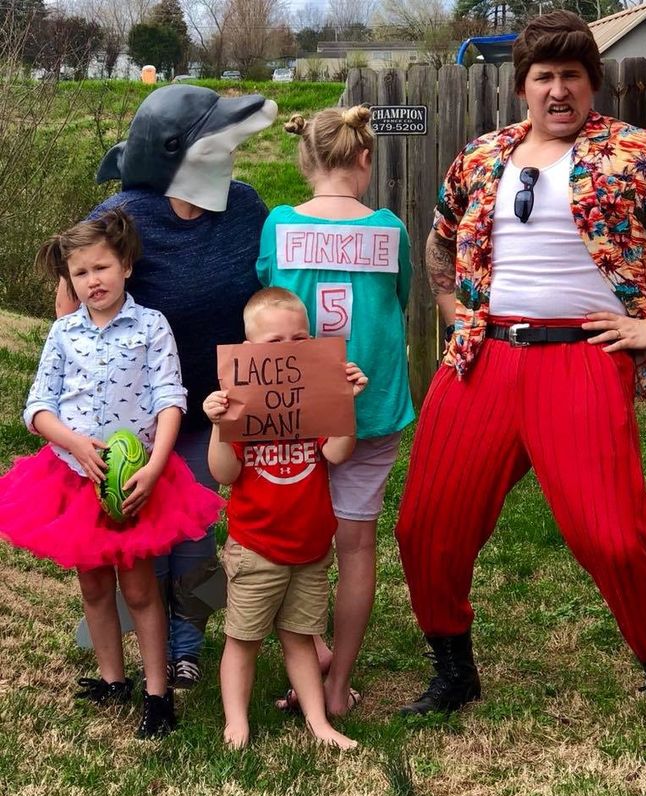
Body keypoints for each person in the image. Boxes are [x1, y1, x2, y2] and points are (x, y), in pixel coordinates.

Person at [394, 10, 646, 758]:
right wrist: (454, 311)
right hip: (484, 359)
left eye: (571, 76)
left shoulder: (635, 151)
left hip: (581, 358)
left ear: (592, 83)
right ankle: (454, 671)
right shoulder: (483, 155)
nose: (557, 90)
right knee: (426, 528)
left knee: (612, 539)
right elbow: (440, 233)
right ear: (523, 87)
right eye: (543, 77)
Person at [55, 84, 278, 688]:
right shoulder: (123, 214)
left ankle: (187, 637)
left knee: (197, 536)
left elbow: (273, 283)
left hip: (218, 405)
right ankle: (142, 633)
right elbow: (75, 285)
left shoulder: (247, 205)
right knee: (143, 532)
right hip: (139, 417)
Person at [0, 210, 224, 737]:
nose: (92, 281)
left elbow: (172, 399)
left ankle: (156, 694)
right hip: (73, 479)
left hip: (134, 479)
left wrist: (156, 464)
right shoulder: (63, 334)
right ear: (69, 280)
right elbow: (37, 407)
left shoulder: (151, 326)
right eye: (80, 273)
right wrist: (73, 442)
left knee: (141, 589)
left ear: (125, 265)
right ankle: (112, 678)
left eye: (101, 267)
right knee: (94, 585)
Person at [255, 105, 415, 715]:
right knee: (355, 546)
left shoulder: (278, 225)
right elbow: (400, 297)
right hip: (370, 404)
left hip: (291, 410)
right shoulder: (390, 229)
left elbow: (265, 293)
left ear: (306, 160)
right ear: (364, 158)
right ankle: (338, 684)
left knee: (291, 537)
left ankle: (311, 649)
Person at [203, 287, 367, 749]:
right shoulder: (240, 402)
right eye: (276, 344)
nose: (290, 349)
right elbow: (224, 473)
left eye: (300, 337)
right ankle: (236, 722)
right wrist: (219, 426)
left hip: (311, 547)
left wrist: (345, 401)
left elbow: (336, 453)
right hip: (256, 547)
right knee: (243, 638)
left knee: (301, 637)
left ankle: (318, 722)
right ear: (250, 352)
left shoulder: (313, 398)